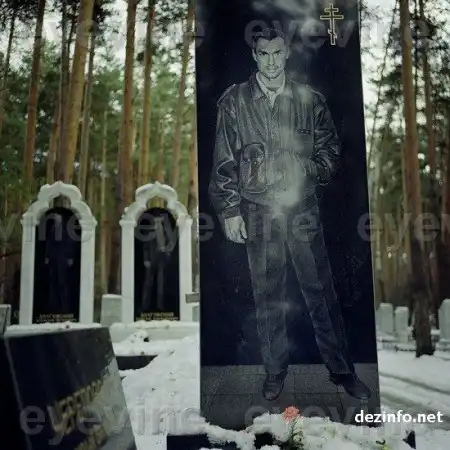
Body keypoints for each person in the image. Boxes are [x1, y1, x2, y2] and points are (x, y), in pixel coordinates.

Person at [208, 28, 371, 401]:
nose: (271, 61)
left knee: (320, 290)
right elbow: (223, 161)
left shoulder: (309, 100)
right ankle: (275, 371)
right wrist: (230, 210)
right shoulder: (234, 101)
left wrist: (303, 167)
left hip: (301, 209)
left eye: (277, 53)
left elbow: (330, 154)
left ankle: (342, 371)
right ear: (255, 55)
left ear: (287, 54)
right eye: (263, 53)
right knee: (267, 293)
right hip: (258, 210)